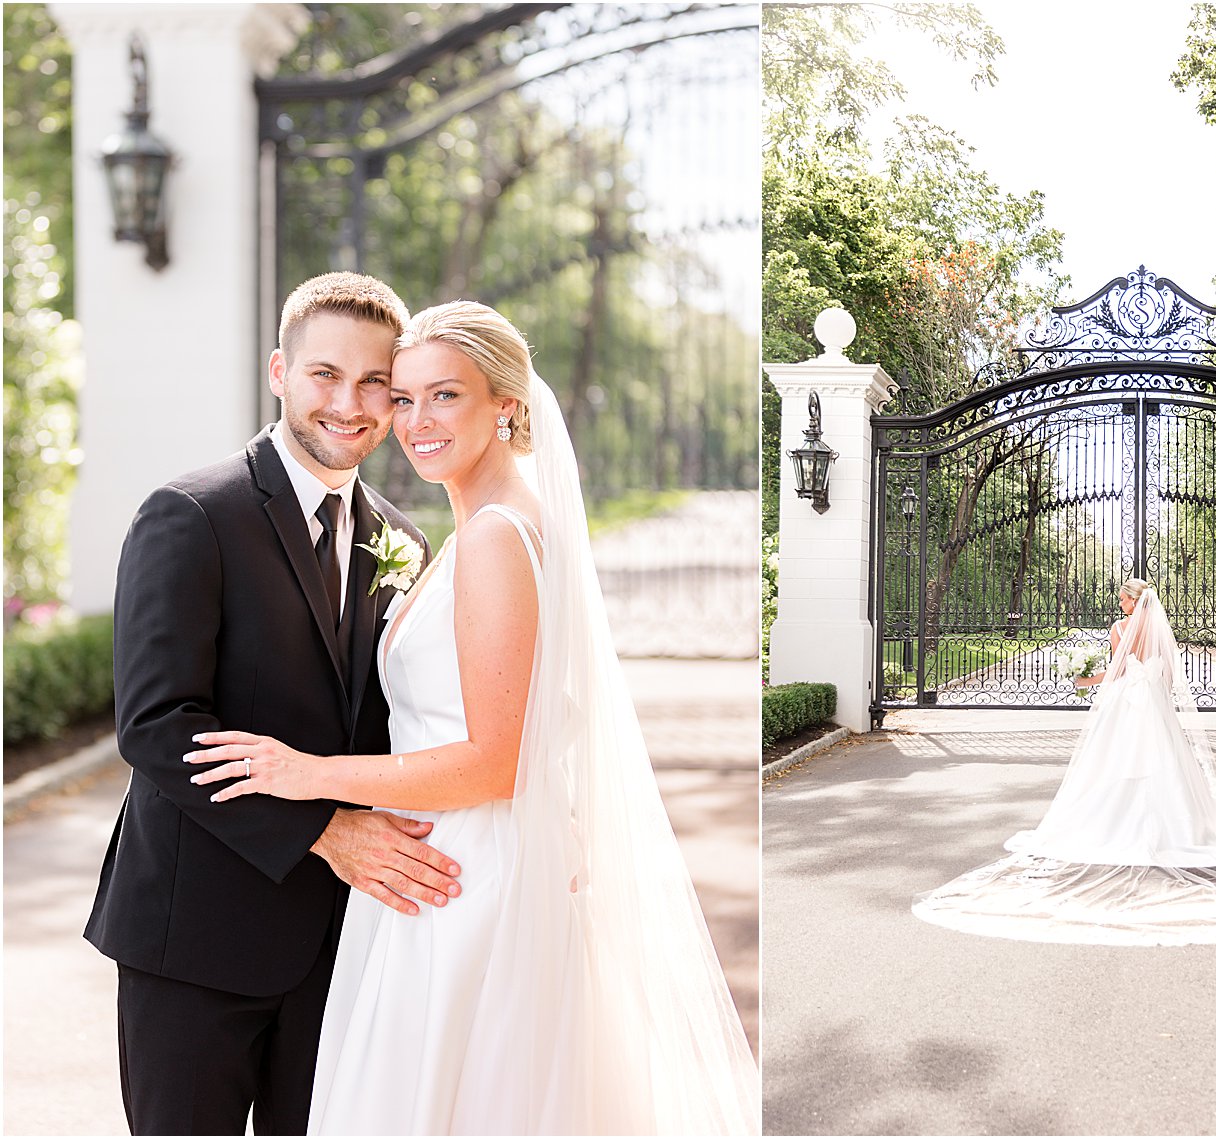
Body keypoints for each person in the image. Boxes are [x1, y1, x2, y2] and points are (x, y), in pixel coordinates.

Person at [187, 301, 760, 1134]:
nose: (416, 421)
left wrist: (304, 774)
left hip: (461, 875)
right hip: (444, 860)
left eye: (445, 395)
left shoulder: (495, 537)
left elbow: (494, 758)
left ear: (506, 406)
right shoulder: (477, 530)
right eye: (404, 396)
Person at [86, 272, 462, 1135]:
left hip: (342, 944)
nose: (350, 402)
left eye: (376, 382)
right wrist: (326, 830)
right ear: (280, 371)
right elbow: (155, 724)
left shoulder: (402, 540)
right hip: (195, 941)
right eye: (326, 374)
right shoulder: (189, 514)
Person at [912, 578, 1216, 946]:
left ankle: (1112, 825)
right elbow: (1165, 680)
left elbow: (1113, 673)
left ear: (1133, 601)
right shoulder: (1162, 634)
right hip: (1154, 708)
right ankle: (1177, 828)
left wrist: (1082, 680)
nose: (1121, 605)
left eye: (1124, 600)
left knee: (1114, 763)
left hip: (1126, 707)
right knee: (1166, 764)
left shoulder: (1120, 630)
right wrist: (1158, 701)